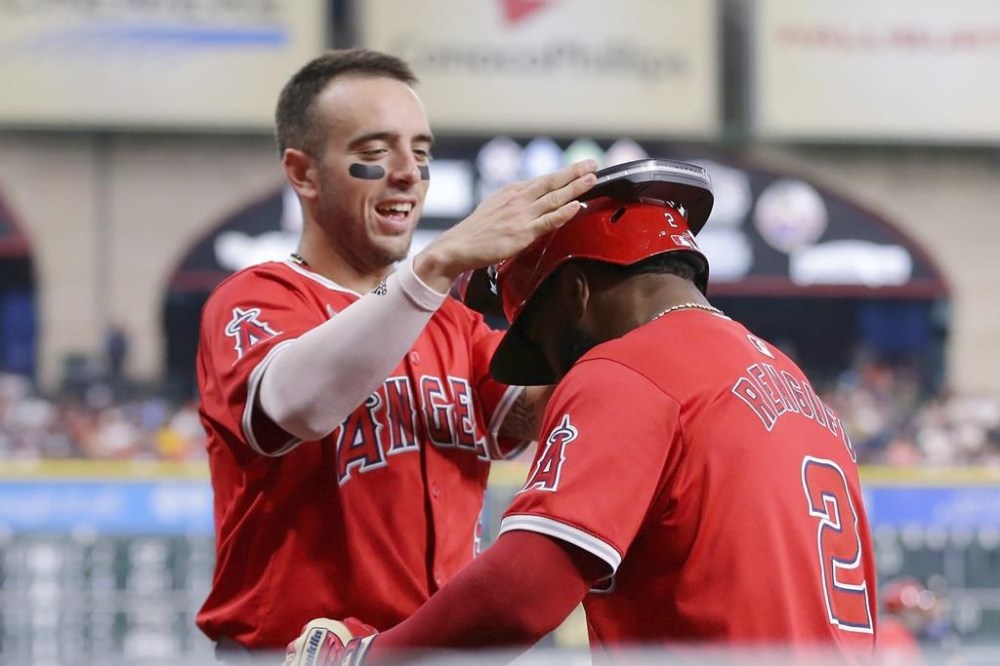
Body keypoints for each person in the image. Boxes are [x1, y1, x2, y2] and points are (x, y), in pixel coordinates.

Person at [284, 159, 878, 665]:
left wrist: (369, 657)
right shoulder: (796, 387)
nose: (550, 362)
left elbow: (526, 591)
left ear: (575, 294)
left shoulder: (635, 365)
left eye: (538, 335)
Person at [194, 47, 597, 655]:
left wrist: (595, 298)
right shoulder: (256, 298)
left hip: (431, 653)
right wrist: (435, 267)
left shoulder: (454, 325)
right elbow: (296, 407)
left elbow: (528, 411)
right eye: (374, 154)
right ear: (303, 173)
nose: (408, 173)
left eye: (422, 153)